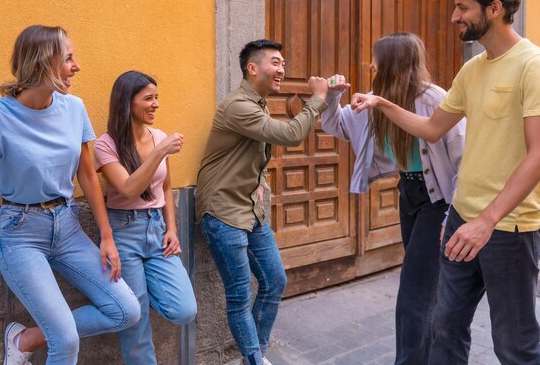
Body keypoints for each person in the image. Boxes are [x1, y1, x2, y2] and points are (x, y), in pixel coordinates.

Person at [351, 0, 540, 365]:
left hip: (507, 228)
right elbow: (433, 128)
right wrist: (383, 102)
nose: (454, 16)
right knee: (443, 332)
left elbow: (538, 154)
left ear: (493, 8)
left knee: (514, 345)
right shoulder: (472, 69)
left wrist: (485, 221)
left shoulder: (532, 65)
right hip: (460, 222)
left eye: (462, 8)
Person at [0, 25, 141, 365]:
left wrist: (107, 236)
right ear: (42, 63)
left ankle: (25, 338)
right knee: (64, 341)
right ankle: (49, 333)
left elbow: (87, 175)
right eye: (69, 59)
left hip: (67, 225)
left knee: (126, 310)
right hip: (20, 232)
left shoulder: (73, 108)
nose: (76, 67)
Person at [321, 32, 465, 365]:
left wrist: (452, 217)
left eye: (376, 58)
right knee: (424, 289)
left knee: (414, 294)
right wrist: (331, 96)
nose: (370, 64)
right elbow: (338, 126)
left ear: (392, 62)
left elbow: (463, 160)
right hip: (409, 194)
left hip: (439, 200)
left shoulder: (436, 99)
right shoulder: (376, 98)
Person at [196, 39, 332, 365]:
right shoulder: (237, 105)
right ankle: (255, 359)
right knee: (240, 295)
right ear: (252, 67)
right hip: (223, 212)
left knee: (275, 282)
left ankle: (253, 356)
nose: (282, 69)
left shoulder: (258, 103)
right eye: (275, 62)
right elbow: (289, 135)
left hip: (249, 209)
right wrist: (318, 99)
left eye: (283, 63)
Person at [93, 70, 197, 365]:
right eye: (148, 98)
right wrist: (160, 151)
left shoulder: (158, 136)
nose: (155, 105)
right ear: (128, 102)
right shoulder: (106, 145)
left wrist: (172, 228)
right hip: (123, 233)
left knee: (184, 309)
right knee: (135, 322)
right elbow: (128, 188)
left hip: (157, 229)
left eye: (157, 98)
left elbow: (164, 184)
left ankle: (142, 295)